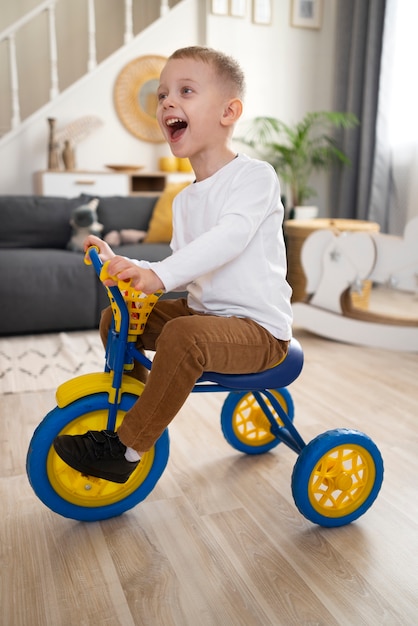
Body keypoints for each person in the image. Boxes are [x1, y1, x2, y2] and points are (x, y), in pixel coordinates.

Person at [53, 46, 293, 483]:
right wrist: (128, 265)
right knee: (115, 320)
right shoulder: (185, 200)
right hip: (205, 314)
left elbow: (229, 238)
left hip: (258, 330)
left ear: (229, 111)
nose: (167, 102)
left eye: (185, 90)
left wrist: (157, 275)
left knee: (184, 337)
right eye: (162, 94)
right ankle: (140, 404)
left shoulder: (255, 177)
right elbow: (183, 264)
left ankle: (124, 450)